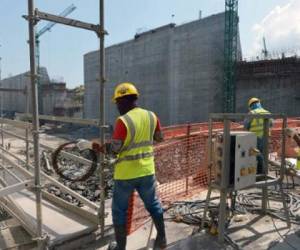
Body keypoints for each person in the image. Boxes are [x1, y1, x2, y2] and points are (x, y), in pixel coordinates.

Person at [82, 82, 166, 250]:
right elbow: (159, 138)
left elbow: (114, 150)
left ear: (124, 101)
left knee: (119, 211)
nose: (117, 107)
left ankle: (120, 248)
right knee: (153, 204)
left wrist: (90, 145)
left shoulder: (123, 121)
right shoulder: (151, 116)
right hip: (147, 171)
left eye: (118, 103)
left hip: (126, 175)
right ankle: (162, 240)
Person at [244, 97, 272, 174]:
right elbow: (271, 124)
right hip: (266, 138)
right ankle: (264, 173)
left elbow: (246, 126)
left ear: (251, 106)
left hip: (255, 138)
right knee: (264, 155)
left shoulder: (252, 113)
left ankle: (258, 174)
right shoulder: (267, 112)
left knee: (255, 156)